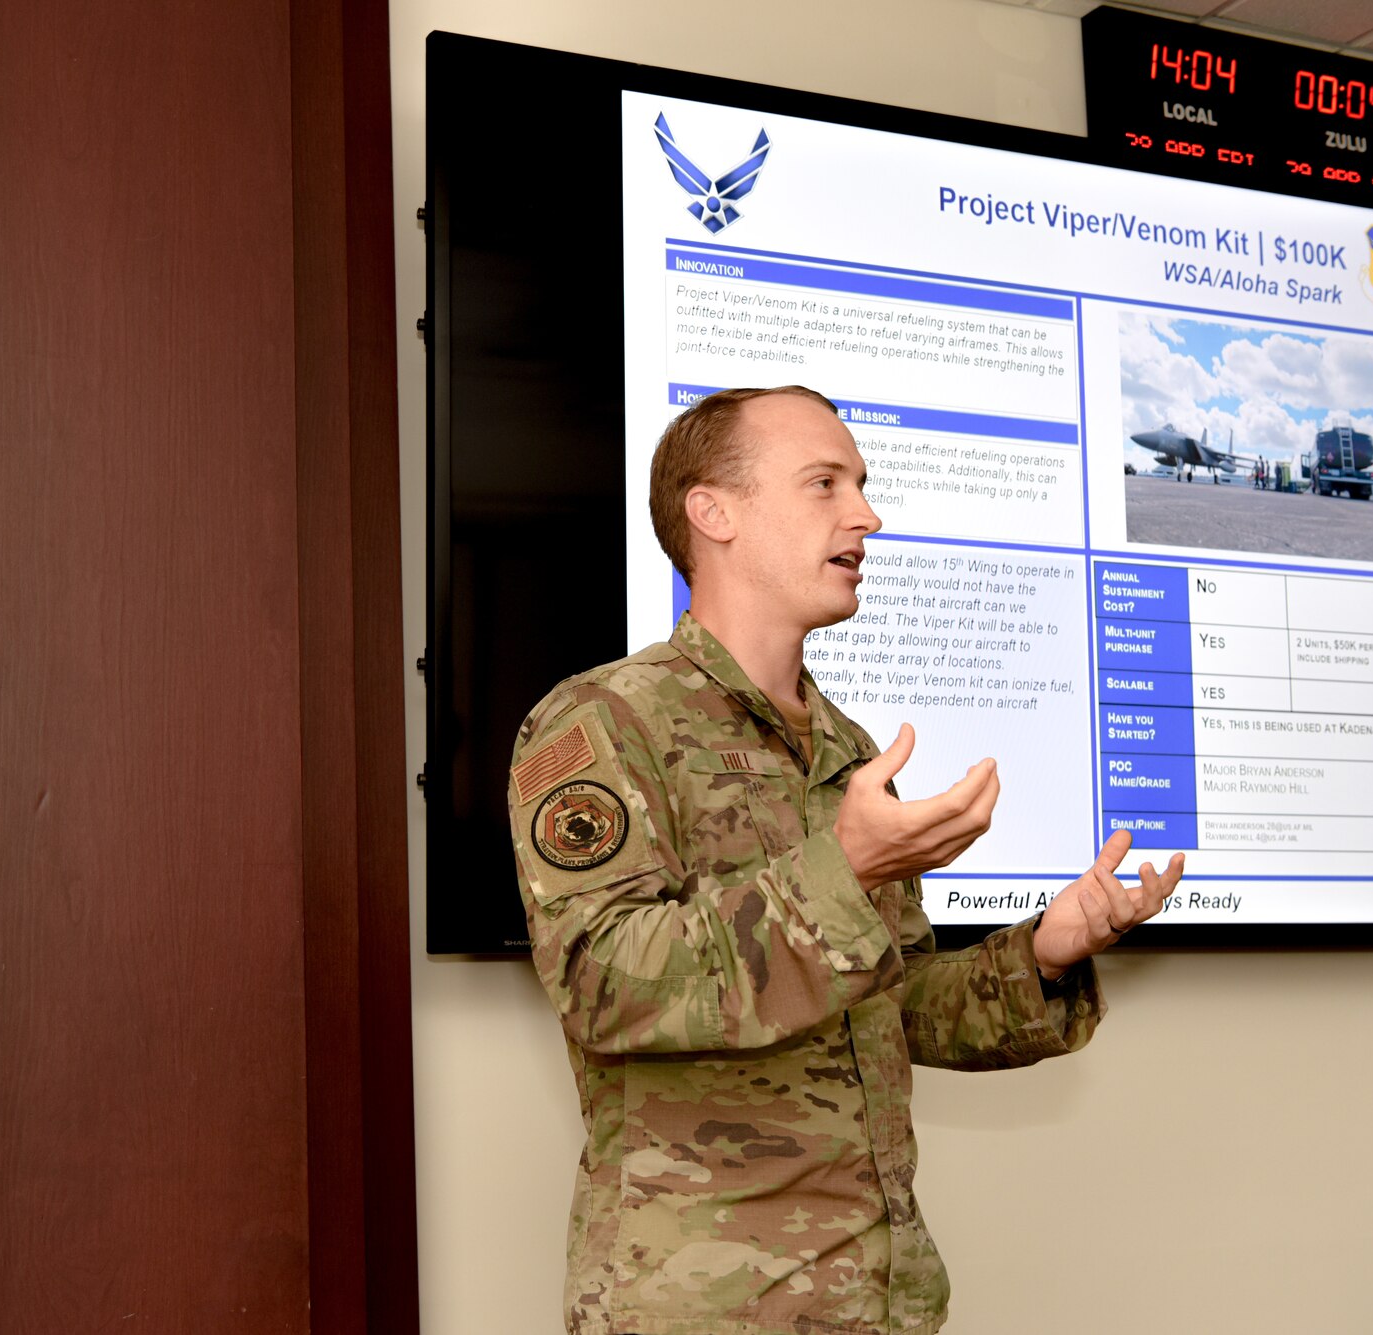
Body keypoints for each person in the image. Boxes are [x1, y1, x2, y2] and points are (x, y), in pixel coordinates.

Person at [506, 385, 1185, 1335]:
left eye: (860, 484)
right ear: (714, 512)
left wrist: (1045, 951)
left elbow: (897, 1006)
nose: (866, 513)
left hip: (881, 1295)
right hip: (704, 1308)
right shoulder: (605, 721)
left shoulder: (848, 748)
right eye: (824, 482)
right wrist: (844, 869)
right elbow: (601, 980)